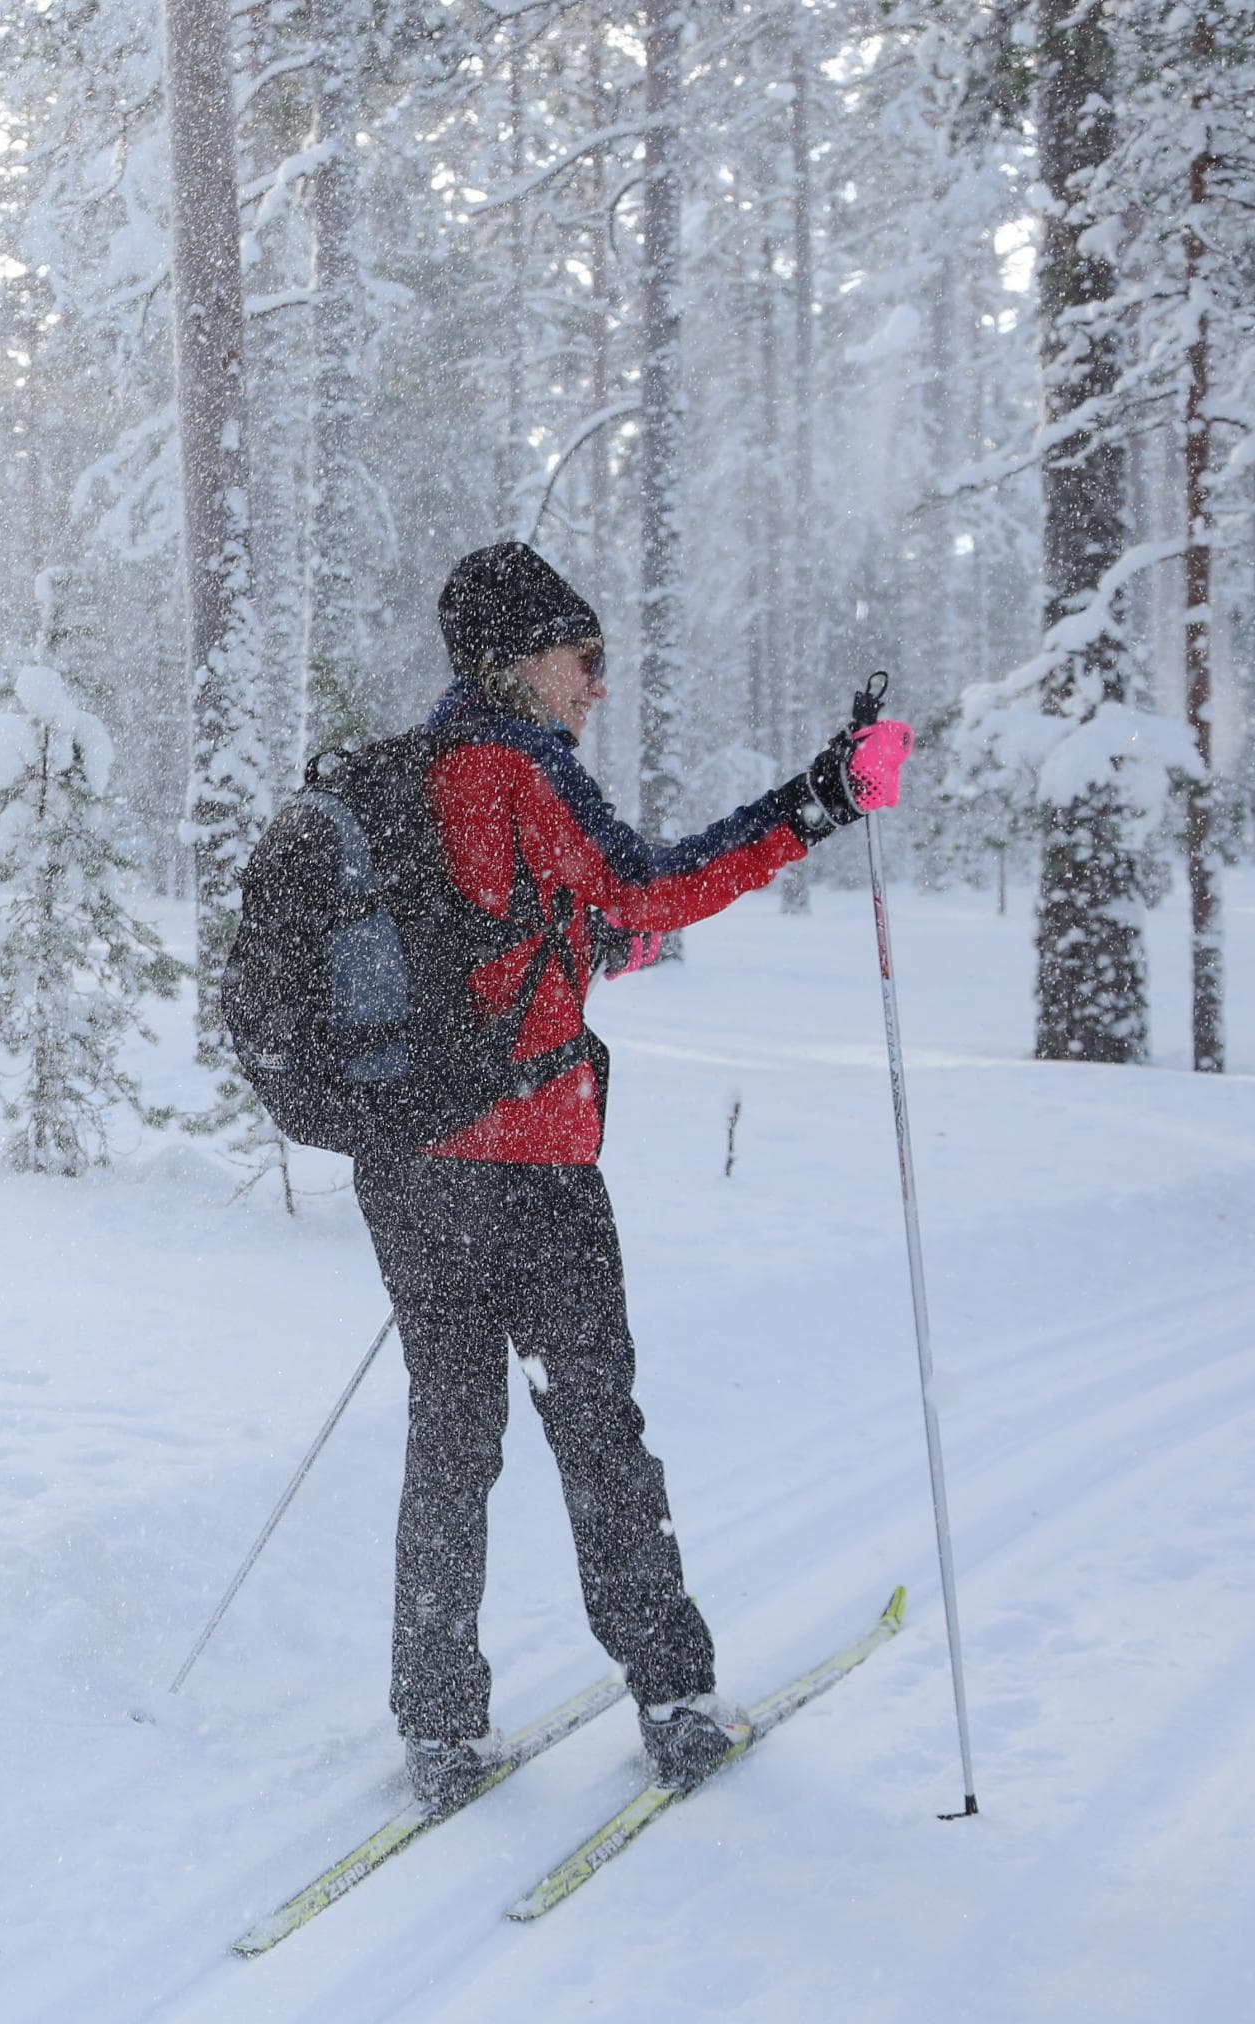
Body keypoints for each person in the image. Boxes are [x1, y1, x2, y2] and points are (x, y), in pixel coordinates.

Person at [369, 541, 911, 1809]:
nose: (595, 684)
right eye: (583, 656)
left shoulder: (415, 772)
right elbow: (649, 882)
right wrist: (811, 805)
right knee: (598, 1431)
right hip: (528, 1170)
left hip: (411, 1170)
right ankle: (671, 1696)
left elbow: (565, 926)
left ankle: (438, 1723)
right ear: (522, 659)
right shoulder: (518, 767)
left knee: (451, 1435)